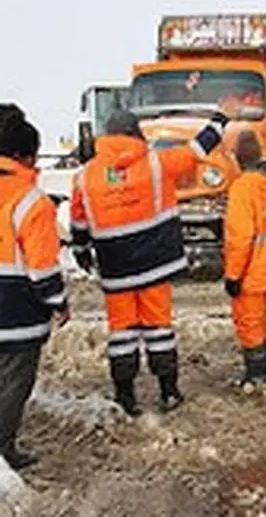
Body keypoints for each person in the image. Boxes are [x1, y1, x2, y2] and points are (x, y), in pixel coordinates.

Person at [69, 109, 228, 416]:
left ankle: (125, 396)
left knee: (122, 333)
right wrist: (221, 119)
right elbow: (199, 149)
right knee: (159, 328)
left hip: (116, 271)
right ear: (135, 133)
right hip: (156, 266)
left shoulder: (85, 176)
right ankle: (168, 391)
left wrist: (82, 250)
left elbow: (78, 220)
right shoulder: (157, 163)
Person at [0, 104, 70, 470]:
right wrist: (59, 302)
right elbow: (43, 269)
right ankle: (2, 451)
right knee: (13, 382)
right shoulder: (31, 202)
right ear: (26, 157)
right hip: (15, 315)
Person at [223, 130, 266, 397]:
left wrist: (232, 275)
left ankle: (256, 375)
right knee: (263, 319)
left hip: (251, 268)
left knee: (249, 321)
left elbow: (240, 238)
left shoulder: (243, 187)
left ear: (238, 158)